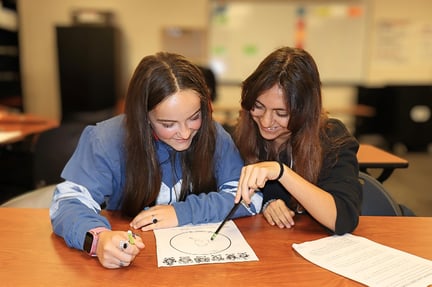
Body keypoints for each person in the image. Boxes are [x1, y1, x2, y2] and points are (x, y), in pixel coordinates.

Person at [50, 52, 262, 269]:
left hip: (198, 267)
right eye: (168, 124)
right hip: (139, 263)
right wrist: (98, 239)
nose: (185, 133)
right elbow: (66, 203)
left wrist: (183, 212)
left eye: (194, 117)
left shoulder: (214, 136)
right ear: (144, 117)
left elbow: (250, 198)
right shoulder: (106, 140)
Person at [233, 46, 362, 235]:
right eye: (258, 107)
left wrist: (281, 172)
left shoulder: (332, 138)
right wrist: (265, 202)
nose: (266, 121)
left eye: (281, 113)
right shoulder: (242, 134)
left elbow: (342, 219)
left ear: (305, 110)